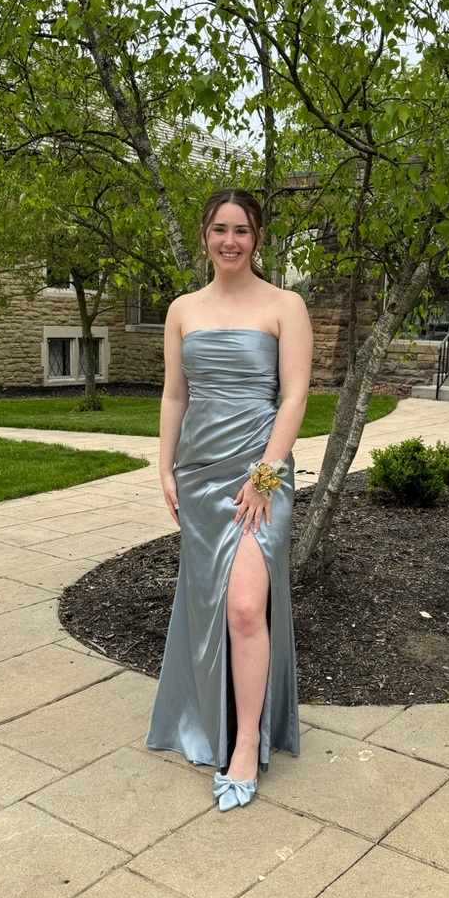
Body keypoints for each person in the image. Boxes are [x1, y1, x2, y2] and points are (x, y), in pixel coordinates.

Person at [146, 187, 313, 811]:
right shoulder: (182, 309)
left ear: (258, 237)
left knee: (246, 608)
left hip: (260, 475)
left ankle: (245, 746)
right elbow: (174, 396)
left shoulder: (284, 305)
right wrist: (164, 466)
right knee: (207, 604)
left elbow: (294, 397)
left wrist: (266, 476)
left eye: (242, 229)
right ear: (204, 234)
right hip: (198, 473)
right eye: (220, 228)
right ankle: (209, 720)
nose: (230, 240)